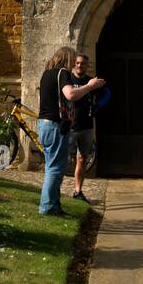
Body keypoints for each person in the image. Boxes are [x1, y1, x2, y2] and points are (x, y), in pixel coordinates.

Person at [37, 46, 105, 216]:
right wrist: (89, 86)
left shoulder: (47, 74)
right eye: (73, 60)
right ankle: (48, 207)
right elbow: (70, 95)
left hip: (43, 123)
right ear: (67, 59)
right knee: (55, 169)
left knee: (51, 167)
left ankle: (53, 205)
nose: (74, 63)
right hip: (55, 125)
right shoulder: (63, 73)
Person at [69, 51, 97, 201]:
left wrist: (97, 106)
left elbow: (106, 94)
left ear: (87, 66)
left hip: (86, 126)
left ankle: (77, 190)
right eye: (77, 63)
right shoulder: (67, 79)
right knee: (65, 158)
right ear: (74, 63)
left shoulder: (91, 81)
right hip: (69, 126)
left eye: (83, 63)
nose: (80, 65)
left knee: (82, 159)